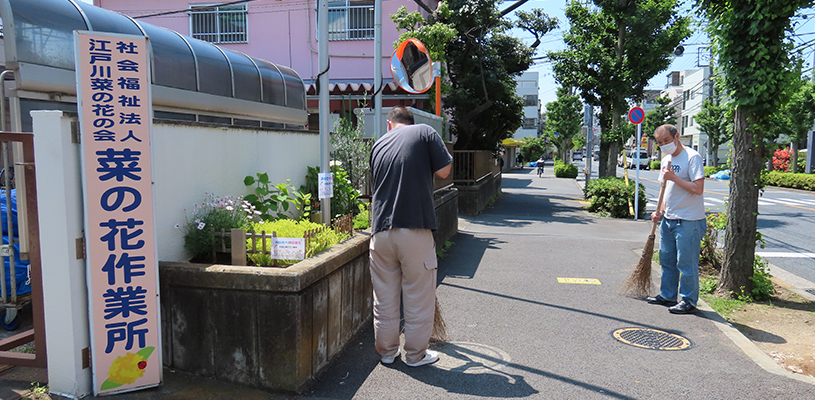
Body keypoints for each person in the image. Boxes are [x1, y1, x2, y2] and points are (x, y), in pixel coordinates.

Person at [369, 106, 453, 366]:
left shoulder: (378, 145)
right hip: (414, 228)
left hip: (380, 232)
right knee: (418, 296)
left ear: (389, 124)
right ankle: (415, 356)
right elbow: (444, 172)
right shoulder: (424, 132)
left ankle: (387, 353)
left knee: (384, 298)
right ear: (411, 121)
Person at [646, 124, 706, 314]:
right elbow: (665, 191)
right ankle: (668, 294)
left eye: (666, 140)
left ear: (677, 136)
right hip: (669, 219)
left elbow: (698, 188)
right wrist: (659, 212)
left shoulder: (692, 157)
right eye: (660, 142)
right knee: (667, 259)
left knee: (685, 262)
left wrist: (673, 177)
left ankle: (689, 300)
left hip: (689, 220)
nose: (664, 145)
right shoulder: (665, 160)